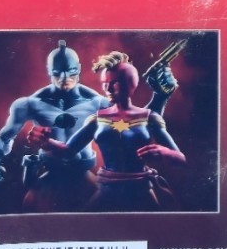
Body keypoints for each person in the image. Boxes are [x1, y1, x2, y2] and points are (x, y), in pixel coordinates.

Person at [48, 48, 187, 210]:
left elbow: (180, 159)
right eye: (105, 83)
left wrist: (165, 153)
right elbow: (68, 150)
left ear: (131, 83)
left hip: (141, 190)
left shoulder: (149, 118)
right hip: (107, 190)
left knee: (156, 224)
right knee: (86, 224)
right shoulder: (97, 119)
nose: (108, 88)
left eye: (115, 83)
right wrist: (46, 142)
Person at [0, 40, 107, 212]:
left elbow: (127, 128)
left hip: (84, 178)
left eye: (71, 71)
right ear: (49, 71)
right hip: (49, 180)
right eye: (57, 73)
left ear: (79, 68)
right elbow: (5, 136)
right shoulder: (30, 103)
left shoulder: (98, 103)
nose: (64, 78)